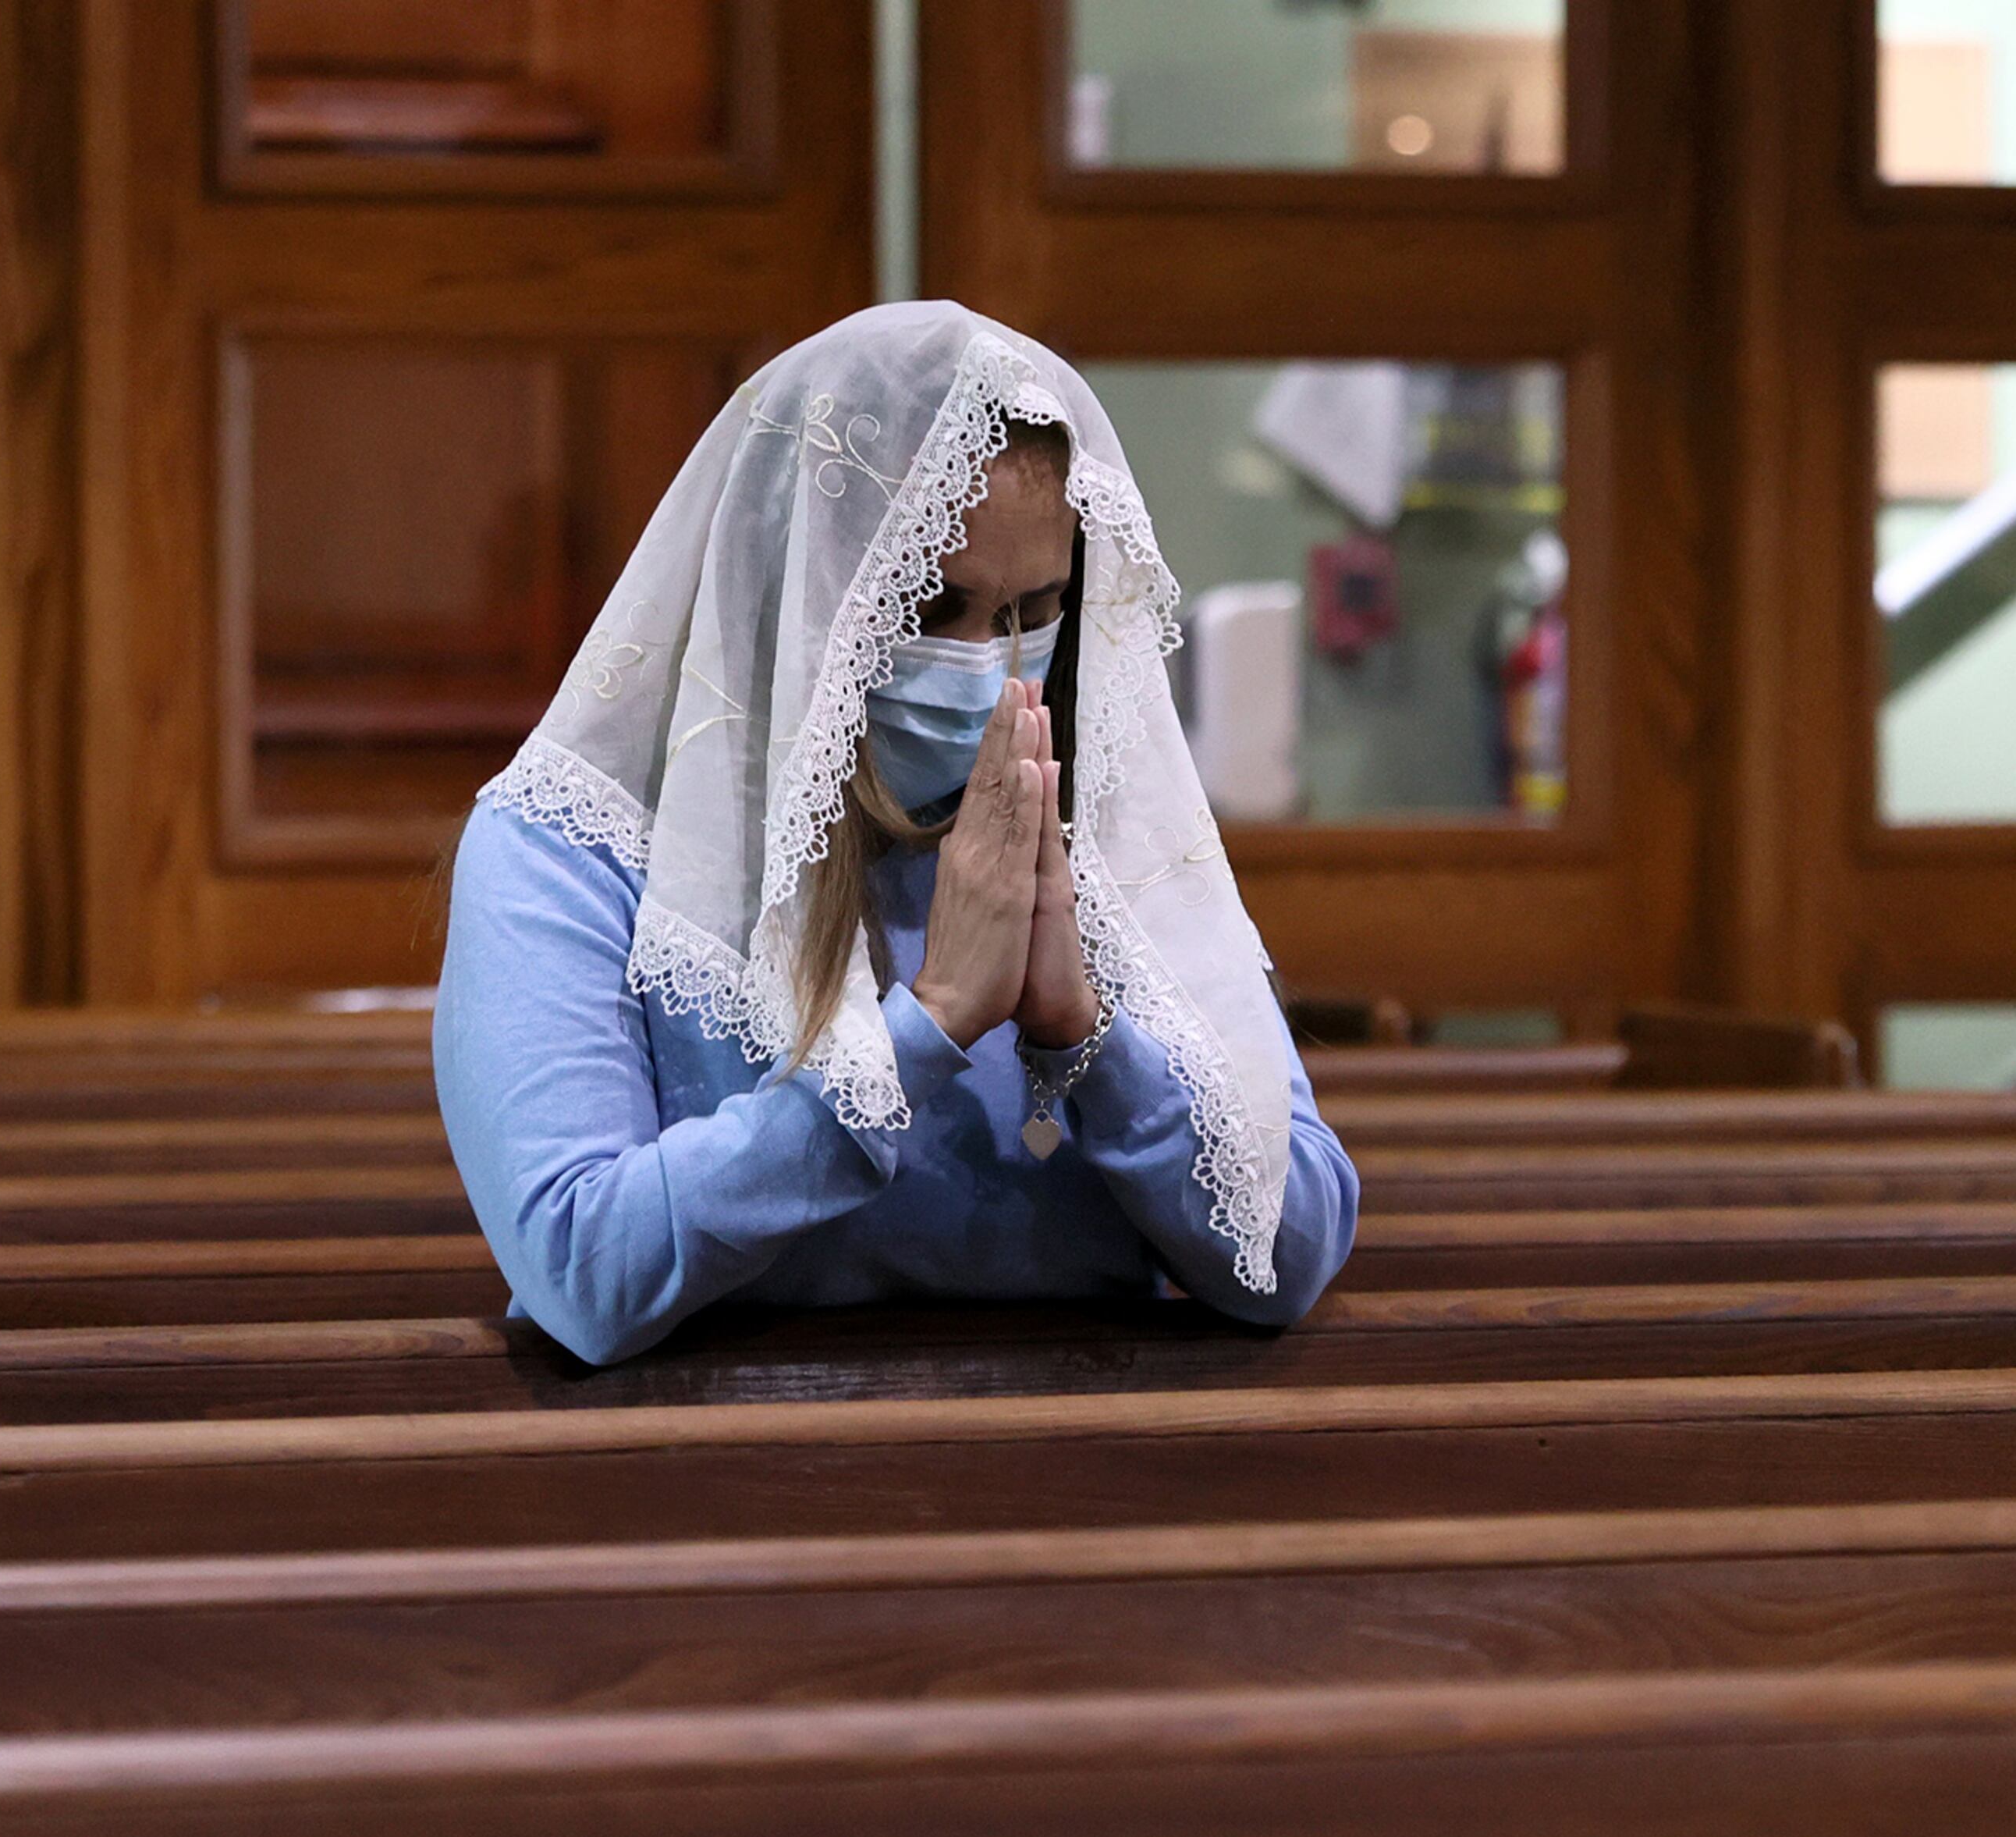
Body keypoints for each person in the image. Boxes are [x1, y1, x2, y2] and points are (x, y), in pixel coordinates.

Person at [433, 301, 1360, 1366]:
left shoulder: (1093, 823)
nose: (990, 664)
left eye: (1035, 608)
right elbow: (583, 1271)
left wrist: (1082, 1036)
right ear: (800, 580)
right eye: (930, 607)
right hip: (702, 1489)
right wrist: (930, 1026)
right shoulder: (568, 850)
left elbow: (1285, 1258)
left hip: (1089, 1483)